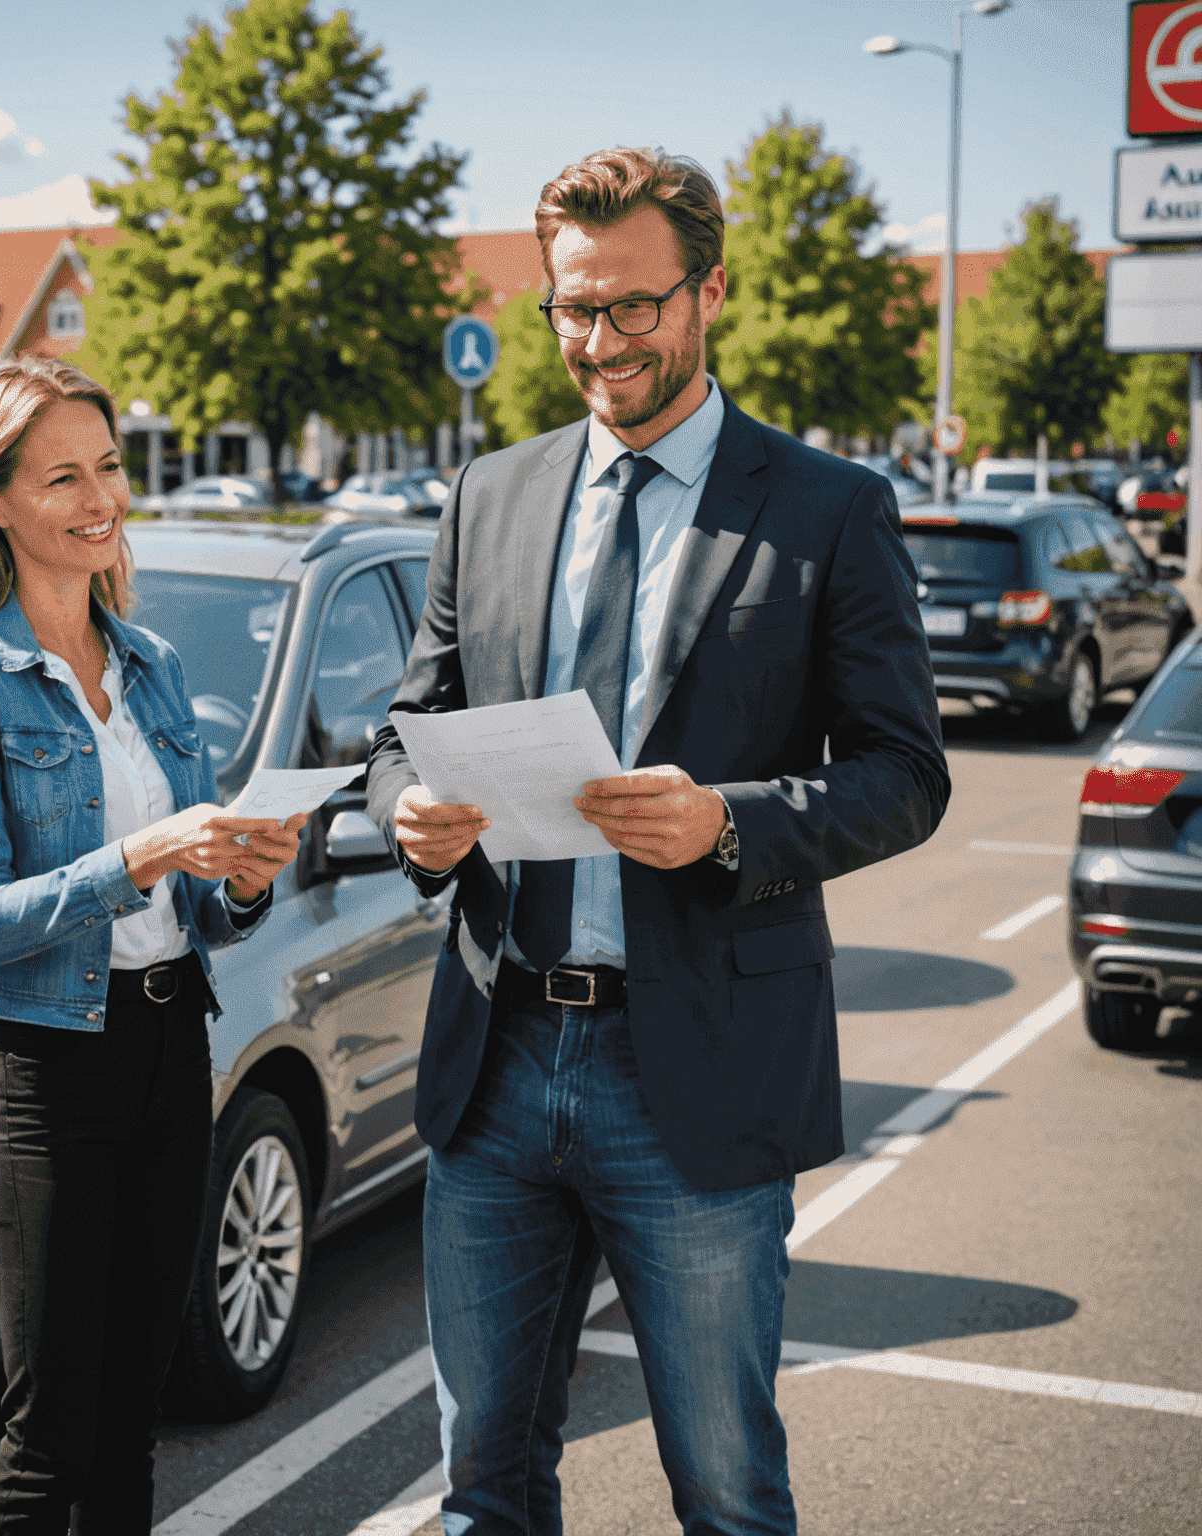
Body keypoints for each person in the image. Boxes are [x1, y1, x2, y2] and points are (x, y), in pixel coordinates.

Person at [366, 148, 949, 1534]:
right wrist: (408, 812)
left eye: (634, 309)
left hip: (692, 1069)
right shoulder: (490, 496)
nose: (601, 343)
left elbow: (905, 775)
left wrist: (728, 824)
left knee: (728, 1496)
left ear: (710, 294)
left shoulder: (828, 508)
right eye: (573, 310)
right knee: (481, 1493)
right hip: (496, 1058)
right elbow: (408, 721)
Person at [0, 357, 306, 1534]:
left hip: (173, 1051)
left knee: (135, 1410)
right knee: (55, 1429)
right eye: (63, 476)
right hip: (47, 1072)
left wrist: (241, 877)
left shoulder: (154, 668)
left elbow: (203, 903)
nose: (101, 500)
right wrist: (140, 859)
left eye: (111, 467)